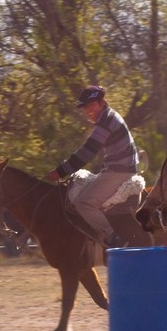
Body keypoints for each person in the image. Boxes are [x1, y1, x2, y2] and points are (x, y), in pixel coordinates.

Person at [45, 85, 140, 248]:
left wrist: (61, 171)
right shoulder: (109, 117)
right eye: (85, 108)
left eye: (91, 106)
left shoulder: (105, 120)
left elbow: (88, 152)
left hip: (119, 172)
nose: (88, 111)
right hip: (118, 169)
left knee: (83, 203)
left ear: (102, 102)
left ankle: (113, 238)